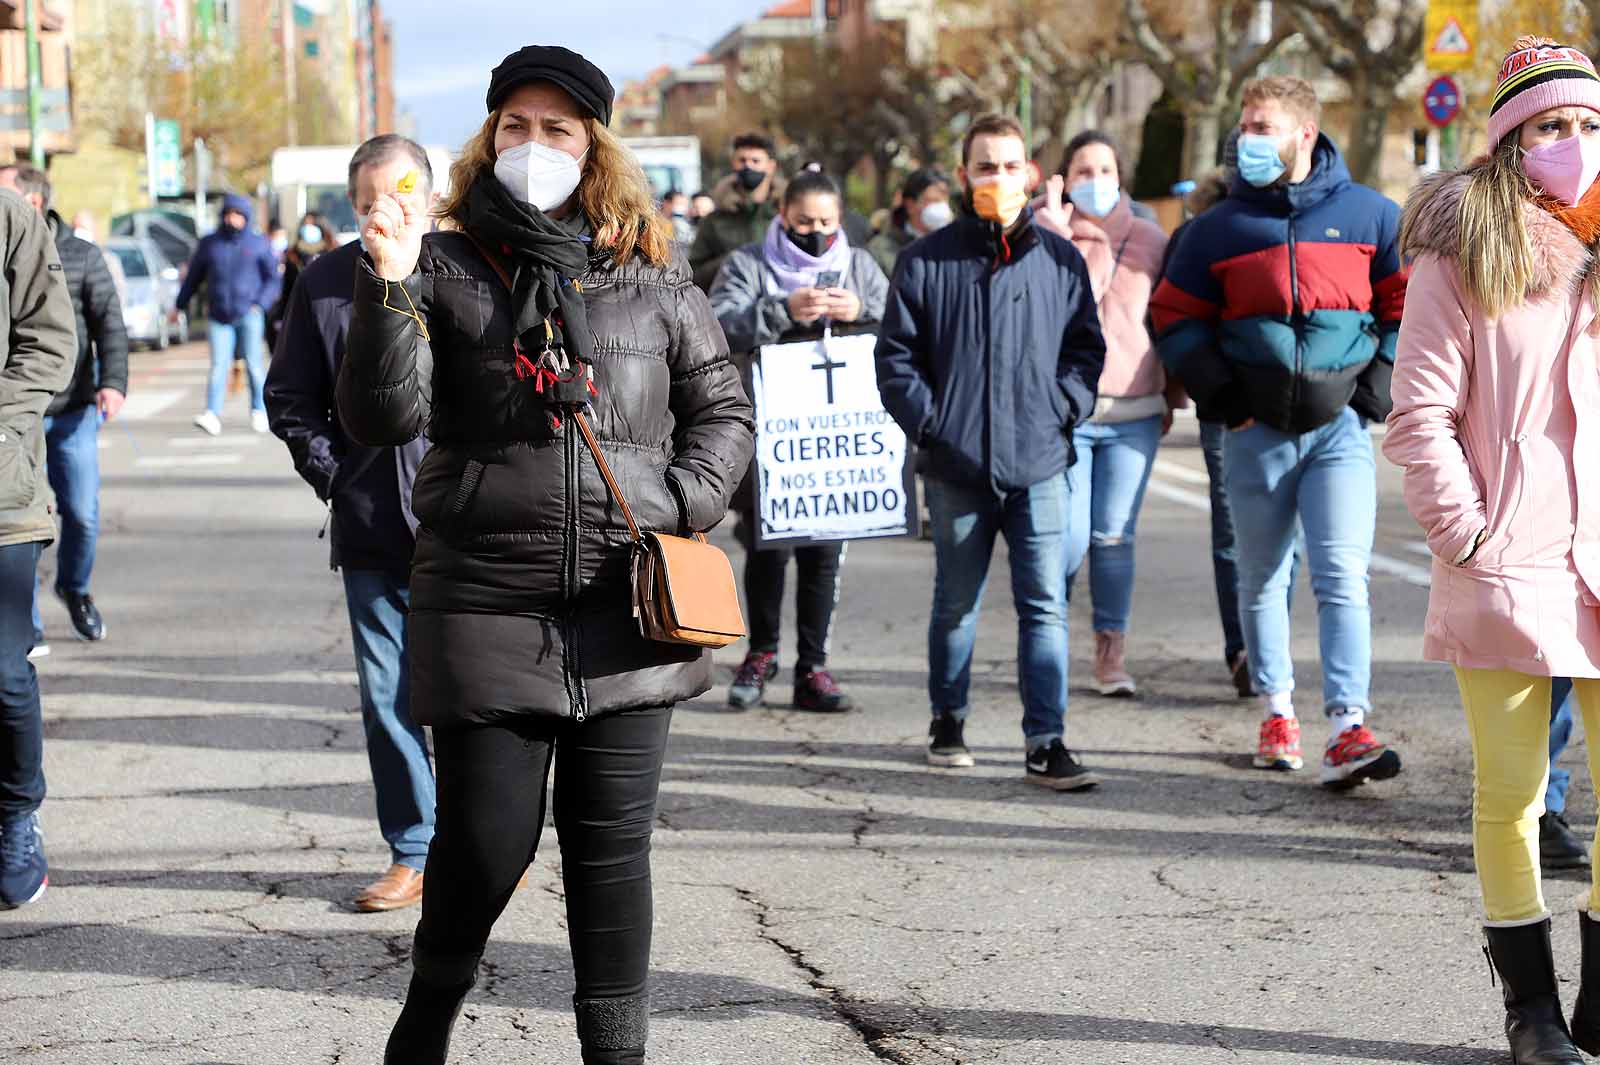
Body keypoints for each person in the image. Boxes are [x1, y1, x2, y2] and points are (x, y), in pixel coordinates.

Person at [337, 44, 752, 1064]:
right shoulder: (436, 262)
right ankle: (428, 1014)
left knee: (612, 857)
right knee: (486, 847)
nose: (534, 144)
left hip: (629, 600)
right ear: (488, 137)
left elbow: (724, 410)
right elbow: (382, 419)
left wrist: (677, 501)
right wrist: (386, 288)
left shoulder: (653, 267)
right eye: (515, 125)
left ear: (592, 145)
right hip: (485, 594)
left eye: (557, 128)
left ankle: (618, 1056)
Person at [1386, 37, 1600, 1064]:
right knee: (1512, 794)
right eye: (1551, 125)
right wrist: (1466, 531)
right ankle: (1531, 1015)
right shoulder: (1459, 252)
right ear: (1512, 141)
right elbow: (1417, 415)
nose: (1573, 142)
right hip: (1508, 558)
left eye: (1589, 123)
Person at [1151, 76, 1407, 786]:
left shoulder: (1372, 217)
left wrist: (1372, 392)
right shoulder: (1216, 230)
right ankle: (1277, 709)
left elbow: (1404, 304)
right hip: (1253, 430)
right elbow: (1175, 314)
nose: (1246, 141)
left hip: (1339, 433)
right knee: (1262, 578)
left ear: (1302, 134)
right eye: (1244, 128)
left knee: (1341, 576)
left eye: (1261, 127)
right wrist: (1223, 397)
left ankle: (1349, 724)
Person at [875, 113, 1105, 790]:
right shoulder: (924, 261)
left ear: (1030, 175)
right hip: (957, 468)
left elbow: (1085, 352)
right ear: (963, 174)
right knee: (956, 603)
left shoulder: (1060, 261)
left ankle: (1046, 739)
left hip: (1040, 464)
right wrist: (934, 423)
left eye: (1010, 166)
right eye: (984, 166)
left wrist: (1064, 408)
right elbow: (896, 359)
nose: (998, 179)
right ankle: (948, 719)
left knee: (1045, 606)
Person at [264, 135, 438, 914]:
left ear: (428, 200)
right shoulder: (326, 282)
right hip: (370, 528)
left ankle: (486, 840)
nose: (382, 215)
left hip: (469, 526)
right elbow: (289, 397)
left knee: (477, 693)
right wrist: (337, 476)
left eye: (397, 200)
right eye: (367, 202)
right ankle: (414, 847)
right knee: (387, 695)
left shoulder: (464, 271)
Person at [709, 169, 889, 712]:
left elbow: (902, 324)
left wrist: (861, 312)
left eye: (827, 222)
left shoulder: (860, 267)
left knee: (824, 551)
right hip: (773, 434)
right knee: (768, 548)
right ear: (783, 217)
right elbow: (715, 321)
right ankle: (761, 655)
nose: (815, 232)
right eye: (804, 221)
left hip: (836, 437)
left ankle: (814, 666)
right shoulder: (748, 264)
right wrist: (782, 310)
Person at [1034, 132, 1172, 698]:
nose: (1096, 180)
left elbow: (1168, 318)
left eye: (1106, 168)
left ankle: (1110, 653)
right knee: (1064, 539)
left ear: (1122, 175)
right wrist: (1056, 230)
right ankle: (1047, 645)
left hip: (1134, 410)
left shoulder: (1150, 240)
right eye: (1083, 170)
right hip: (1066, 413)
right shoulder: (1044, 235)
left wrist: (1176, 394)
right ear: (1064, 179)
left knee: (1113, 537)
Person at [0, 165, 128, 649]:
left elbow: (109, 326)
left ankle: (74, 589)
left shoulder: (81, 255)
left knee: (81, 512)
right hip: (13, 419)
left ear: (31, 203)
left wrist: (113, 383)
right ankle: (23, 625)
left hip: (71, 408)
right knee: (17, 521)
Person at [0, 191, 79, 908]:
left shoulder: (9, 218)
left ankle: (16, 813)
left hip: (2, 500)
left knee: (1, 672)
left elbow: (51, 340)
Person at [175, 192, 282, 436]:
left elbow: (273, 280)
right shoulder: (210, 244)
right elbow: (194, 278)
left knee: (254, 364)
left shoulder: (258, 244)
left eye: (237, 214)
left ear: (246, 217)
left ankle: (259, 410)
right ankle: (212, 413)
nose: (232, 219)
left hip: (249, 313)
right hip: (218, 315)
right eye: (228, 214)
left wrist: (260, 304)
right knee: (218, 366)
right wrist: (179, 305)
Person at [687, 132, 783, 290]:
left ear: (771, 166)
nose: (748, 166)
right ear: (734, 164)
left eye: (755, 161)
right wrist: (730, 261)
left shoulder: (785, 216)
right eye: (742, 160)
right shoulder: (715, 220)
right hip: (729, 304)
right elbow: (693, 275)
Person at [267, 211, 339, 349]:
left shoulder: (334, 252)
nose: (308, 229)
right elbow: (287, 289)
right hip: (301, 316)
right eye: (305, 225)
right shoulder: (293, 255)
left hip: (329, 315)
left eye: (313, 225)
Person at [866, 168, 952, 277]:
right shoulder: (880, 250)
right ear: (910, 205)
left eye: (945, 200)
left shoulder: (954, 246)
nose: (942, 208)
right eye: (934, 200)